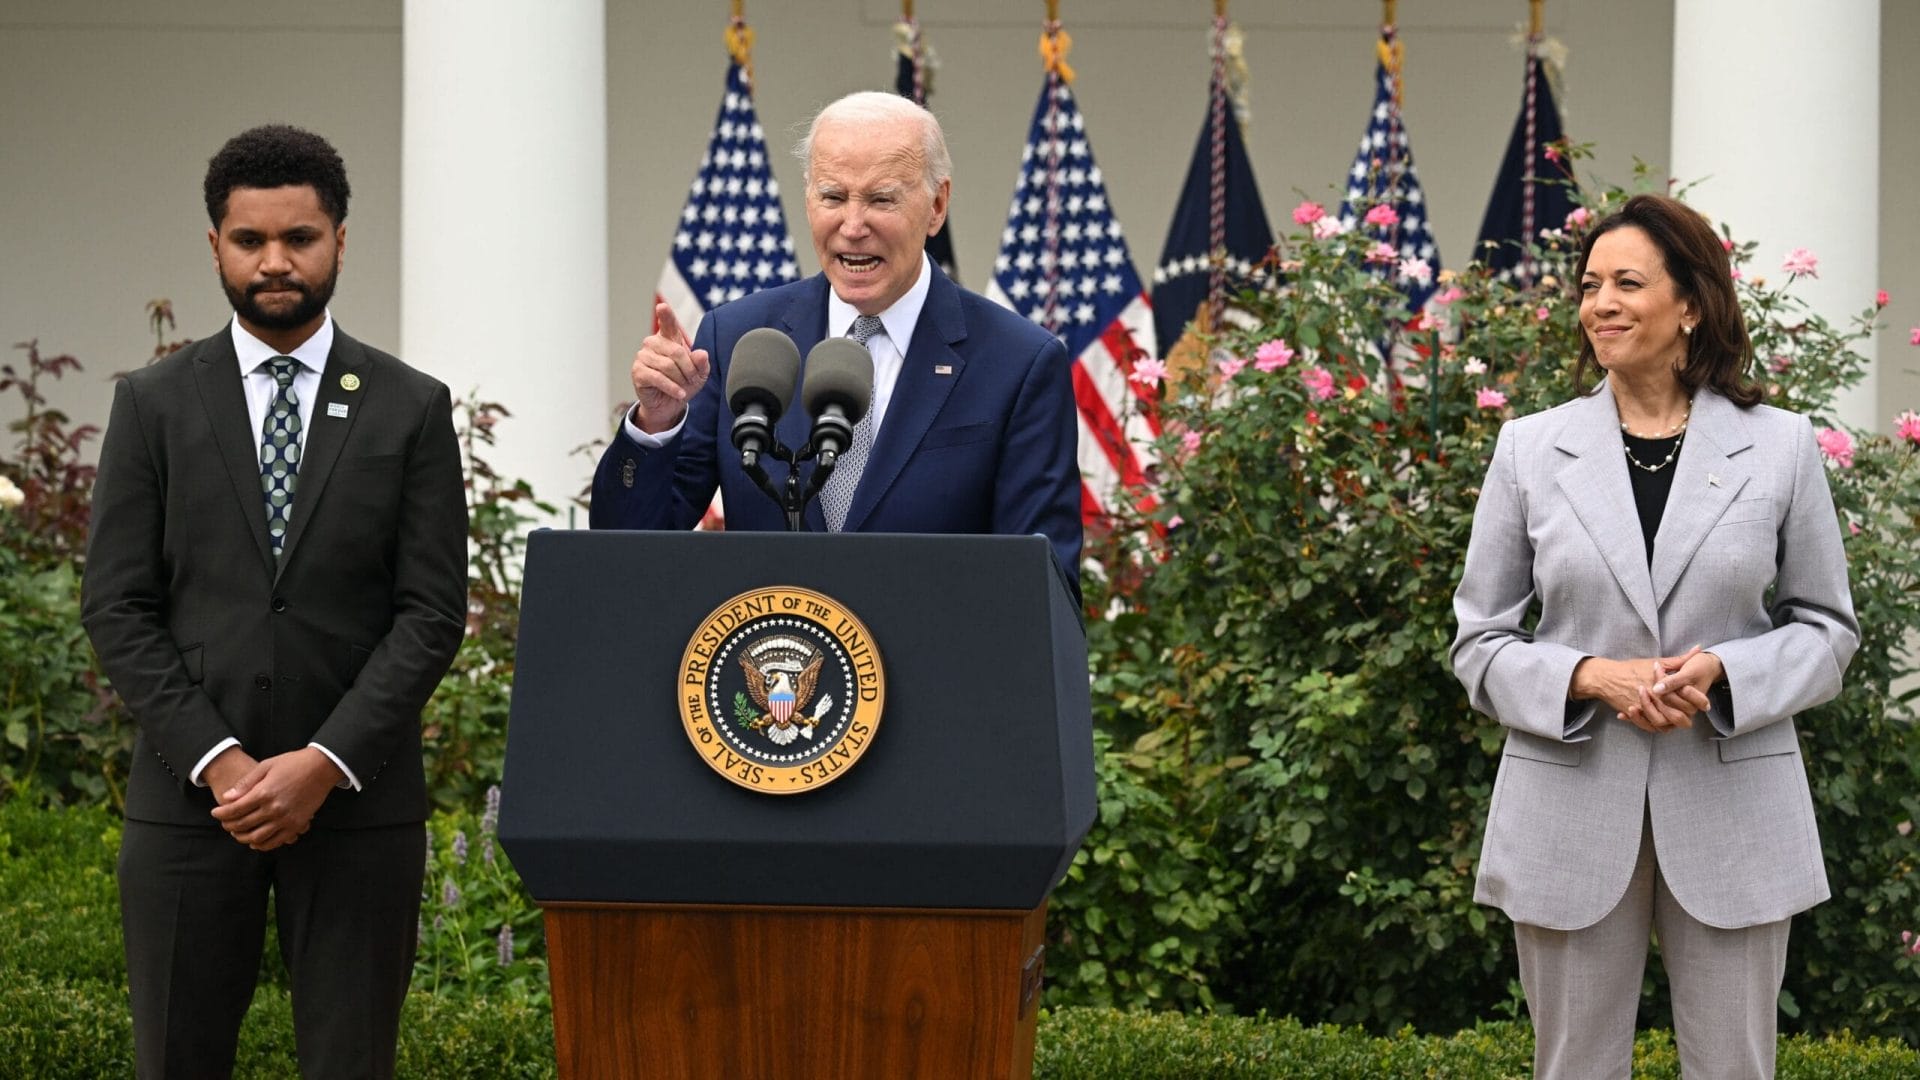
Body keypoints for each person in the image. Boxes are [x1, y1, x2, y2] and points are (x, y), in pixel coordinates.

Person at [81, 124, 468, 1079]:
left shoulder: (409, 406)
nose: (276, 262)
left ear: (341, 238)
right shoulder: (155, 402)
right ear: (215, 245)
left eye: (300, 237)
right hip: (188, 804)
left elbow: (432, 613)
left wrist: (323, 763)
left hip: (357, 808)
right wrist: (220, 764)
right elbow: (116, 604)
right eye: (251, 241)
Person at [1451, 193, 1858, 1079]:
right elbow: (1478, 642)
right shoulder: (1529, 450)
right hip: (1569, 805)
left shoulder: (1782, 448)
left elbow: (1828, 630)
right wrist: (1591, 676)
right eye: (1591, 284)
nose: (1602, 303)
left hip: (1735, 811)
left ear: (1691, 305)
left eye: (1628, 282)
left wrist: (1724, 670)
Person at [588, 91, 1082, 595]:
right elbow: (624, 548)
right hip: (772, 667)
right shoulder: (738, 338)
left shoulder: (1018, 363)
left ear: (936, 206)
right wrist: (656, 424)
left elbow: (1043, 586)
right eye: (833, 197)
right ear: (808, 199)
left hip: (938, 667)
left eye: (881, 199)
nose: (852, 227)